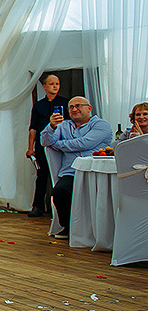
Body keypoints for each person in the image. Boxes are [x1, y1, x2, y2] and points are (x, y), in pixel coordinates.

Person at [40, 96, 114, 239]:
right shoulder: (63, 125)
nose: (74, 109)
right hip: (71, 171)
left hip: (94, 172)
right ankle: (68, 226)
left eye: (78, 105)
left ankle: (99, 230)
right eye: (71, 107)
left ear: (89, 108)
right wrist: (51, 127)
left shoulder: (101, 124)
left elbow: (83, 143)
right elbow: (45, 141)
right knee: (59, 192)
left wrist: (58, 144)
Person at [26, 74, 64, 218]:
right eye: (52, 83)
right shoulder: (38, 105)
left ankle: (59, 209)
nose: (55, 86)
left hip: (60, 145)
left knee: (60, 175)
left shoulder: (65, 103)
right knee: (41, 176)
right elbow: (33, 127)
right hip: (41, 146)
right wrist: (30, 148)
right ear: (45, 86)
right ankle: (38, 207)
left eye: (57, 83)